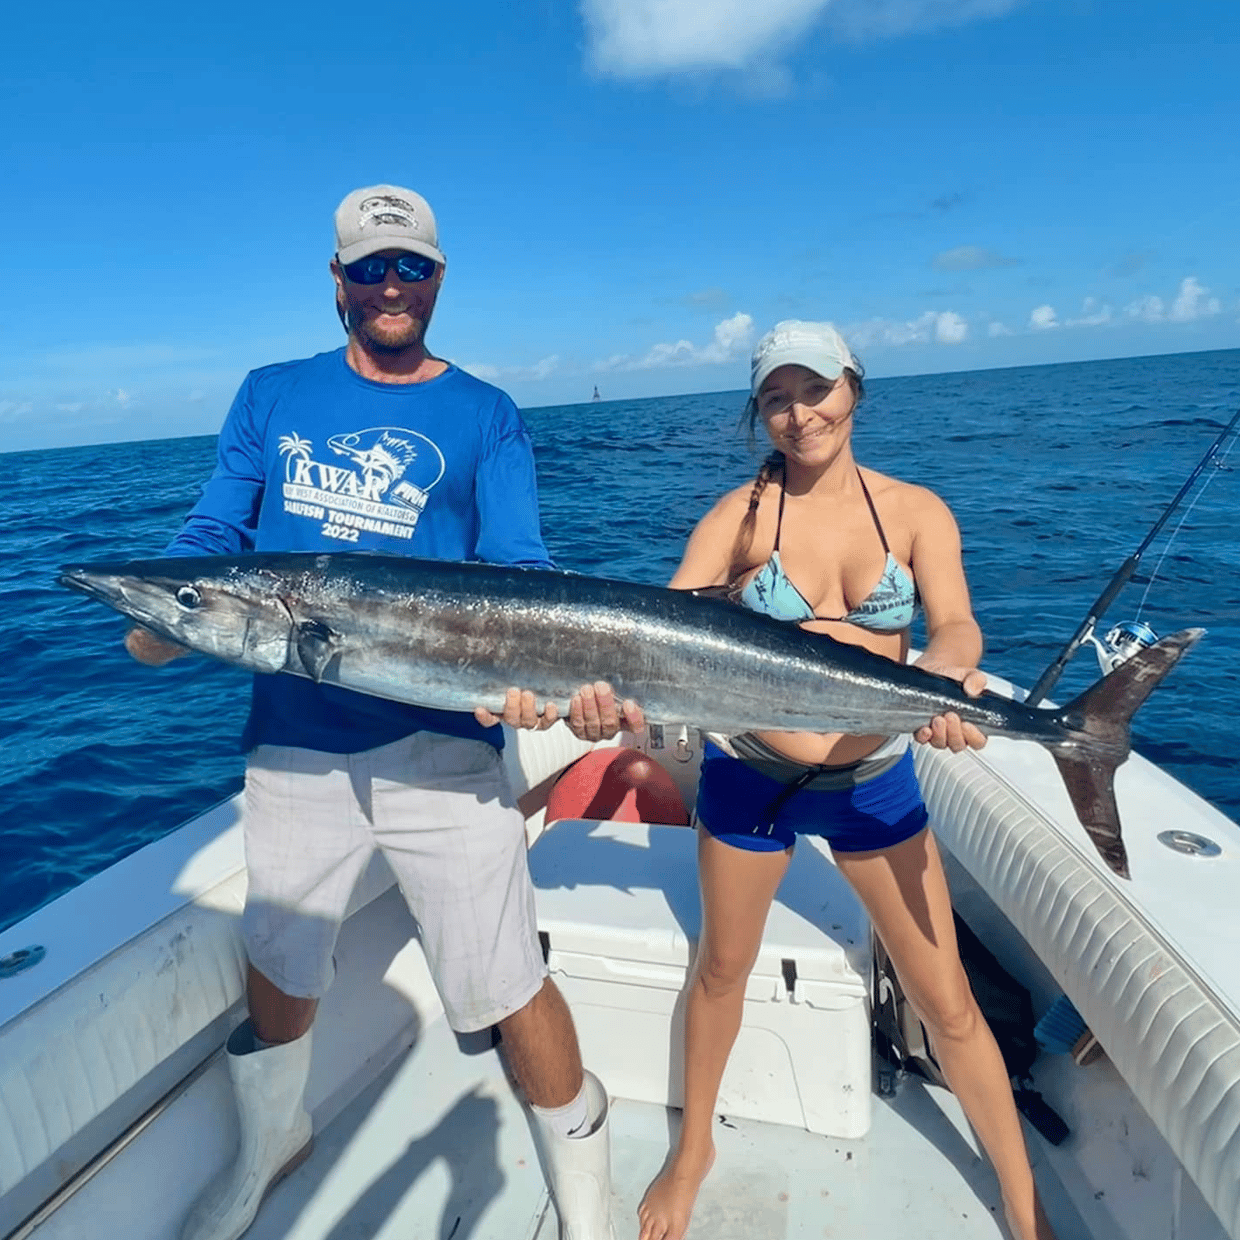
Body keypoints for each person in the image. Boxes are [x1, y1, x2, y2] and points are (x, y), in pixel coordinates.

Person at [125, 184, 636, 1240]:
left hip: (441, 739)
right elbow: (218, 530)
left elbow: (519, 569)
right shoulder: (270, 394)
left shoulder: (486, 412)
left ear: (438, 278)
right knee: (280, 958)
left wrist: (568, 682)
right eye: (370, 267)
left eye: (410, 266)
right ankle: (273, 1144)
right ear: (338, 282)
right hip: (295, 745)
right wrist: (173, 607)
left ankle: (587, 1198)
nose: (391, 285)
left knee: (505, 981)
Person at [636, 321, 1059, 1240]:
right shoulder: (735, 519)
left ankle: (1023, 1206)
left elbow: (955, 626)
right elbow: (659, 628)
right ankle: (693, 1147)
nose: (800, 413)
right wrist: (591, 687)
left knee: (948, 1001)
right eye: (777, 397)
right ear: (760, 413)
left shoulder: (914, 512)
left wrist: (948, 679)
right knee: (720, 970)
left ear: (855, 390)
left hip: (873, 779)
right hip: (753, 775)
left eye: (816, 389)